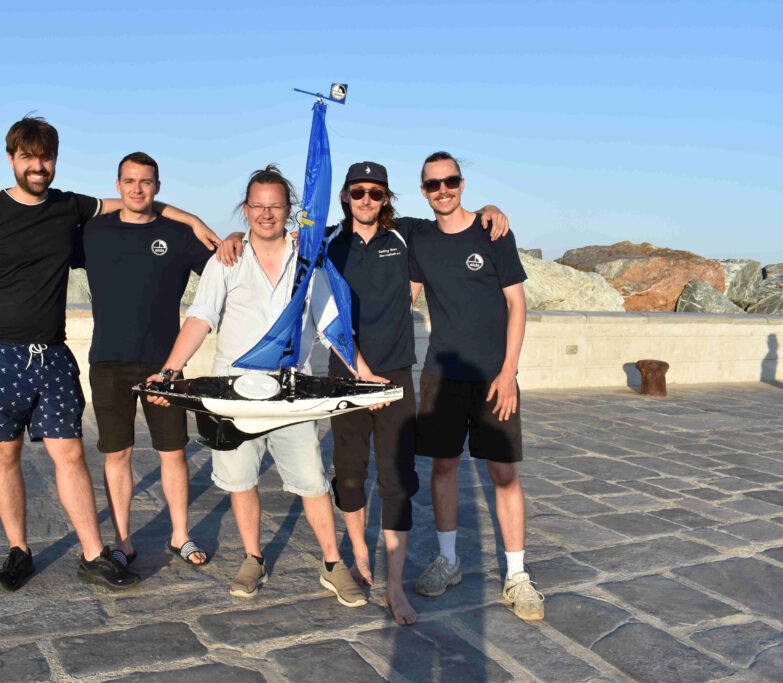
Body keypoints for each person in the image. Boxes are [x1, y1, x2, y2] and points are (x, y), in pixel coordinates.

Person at [0, 115, 219, 592]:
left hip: (53, 354)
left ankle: (95, 555)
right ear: (11, 159)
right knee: (4, 454)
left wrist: (194, 220)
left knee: (71, 454)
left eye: (46, 158)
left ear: (55, 160)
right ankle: (18, 551)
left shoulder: (68, 207)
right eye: (28, 157)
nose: (38, 166)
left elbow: (138, 203)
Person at [146, 165, 367, 608]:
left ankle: (332, 564)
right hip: (234, 395)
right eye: (258, 206)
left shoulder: (309, 261)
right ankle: (253, 558)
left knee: (312, 483)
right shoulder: (225, 259)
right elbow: (201, 318)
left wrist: (363, 372)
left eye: (276, 206)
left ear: (289, 210)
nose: (267, 214)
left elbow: (331, 325)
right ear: (245, 209)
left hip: (290, 391)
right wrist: (170, 370)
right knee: (240, 480)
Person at [324, 161, 510, 626]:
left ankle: (394, 587)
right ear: (346, 195)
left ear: (387, 198)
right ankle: (360, 558)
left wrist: (490, 209)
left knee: (397, 481)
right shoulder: (326, 242)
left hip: (394, 378)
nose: (367, 200)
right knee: (349, 477)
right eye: (358, 192)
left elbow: (456, 222)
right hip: (345, 377)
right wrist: (233, 237)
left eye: (376, 193)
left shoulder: (407, 235)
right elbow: (272, 238)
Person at [407, 151, 542, 621]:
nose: (442, 190)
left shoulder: (493, 232)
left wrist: (509, 373)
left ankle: (517, 575)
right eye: (433, 184)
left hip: (493, 377)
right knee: (443, 467)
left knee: (504, 474)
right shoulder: (419, 238)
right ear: (423, 191)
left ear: (462, 184)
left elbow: (517, 305)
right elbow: (403, 296)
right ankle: (449, 560)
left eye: (450, 181)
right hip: (441, 375)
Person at [83, 152, 212, 568]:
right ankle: (123, 541)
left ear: (158, 186)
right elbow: (39, 242)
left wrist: (221, 235)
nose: (137, 189)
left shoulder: (179, 235)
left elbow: (224, 273)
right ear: (117, 186)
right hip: (108, 362)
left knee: (173, 452)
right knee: (116, 454)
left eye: (146, 182)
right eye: (129, 181)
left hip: (164, 364)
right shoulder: (93, 231)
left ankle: (180, 535)